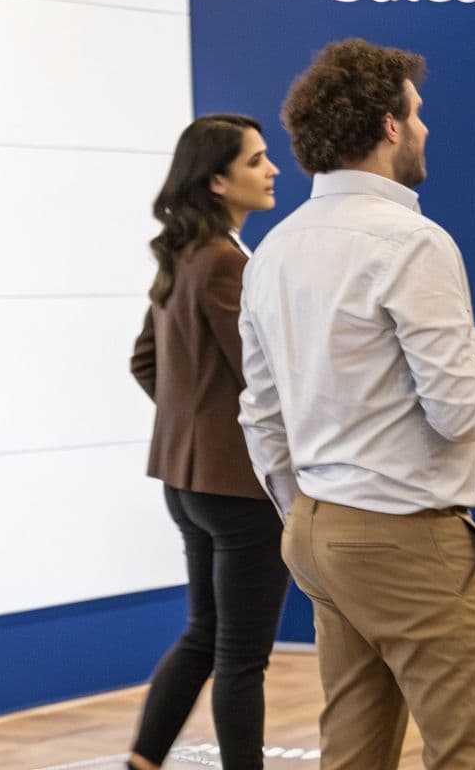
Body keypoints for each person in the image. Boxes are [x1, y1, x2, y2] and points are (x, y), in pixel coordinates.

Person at [238, 39, 475, 770]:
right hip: (407, 537)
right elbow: (457, 411)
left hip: (318, 528)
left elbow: (261, 415)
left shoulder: (273, 249)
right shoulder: (412, 242)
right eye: (418, 112)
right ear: (390, 125)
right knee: (471, 752)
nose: (426, 127)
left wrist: (307, 513)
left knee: (355, 750)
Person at [127, 114, 287, 770]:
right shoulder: (225, 261)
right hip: (236, 489)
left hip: (185, 483)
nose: (273, 169)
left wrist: (193, 426)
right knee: (242, 658)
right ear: (218, 181)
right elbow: (261, 377)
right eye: (256, 160)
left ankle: (143, 760)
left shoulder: (185, 255)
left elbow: (145, 362)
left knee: (207, 636)